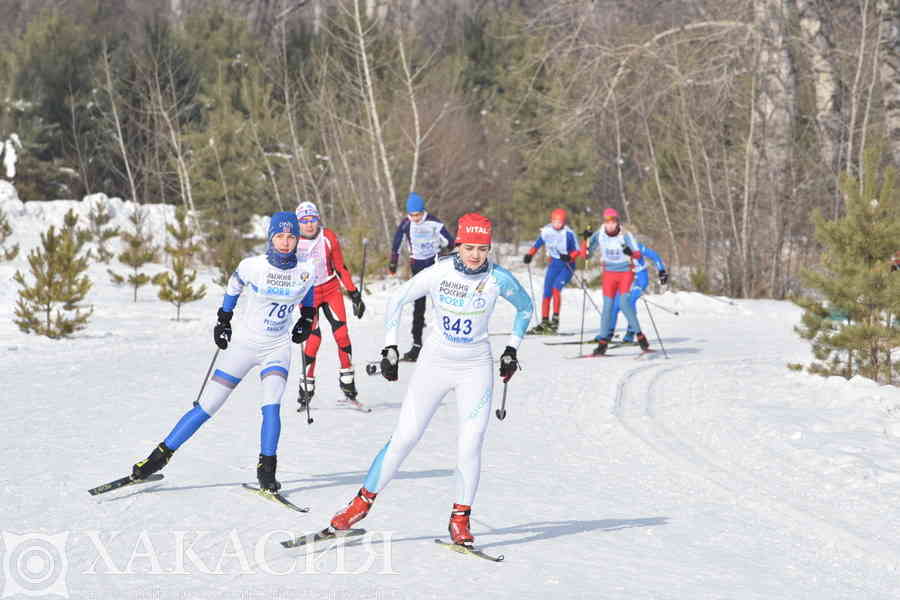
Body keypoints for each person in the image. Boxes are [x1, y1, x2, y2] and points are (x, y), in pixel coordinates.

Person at [327, 213, 533, 548]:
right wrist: (390, 346)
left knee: (471, 442)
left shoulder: (499, 278)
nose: (475, 255)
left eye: (482, 249)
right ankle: (361, 504)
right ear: (458, 245)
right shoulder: (438, 273)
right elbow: (397, 300)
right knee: (406, 436)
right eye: (469, 247)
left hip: (475, 367)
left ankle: (460, 519)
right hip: (435, 363)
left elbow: (525, 308)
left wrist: (512, 349)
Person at [130, 212, 317, 492]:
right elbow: (233, 285)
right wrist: (224, 319)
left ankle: (267, 471)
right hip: (244, 345)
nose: (286, 242)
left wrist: (306, 318)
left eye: (291, 237)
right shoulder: (252, 266)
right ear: (271, 237)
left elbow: (308, 293)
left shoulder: (306, 269)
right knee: (208, 406)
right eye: (280, 236)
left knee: (272, 406)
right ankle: (157, 458)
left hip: (276, 348)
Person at [294, 201, 366, 408]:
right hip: (309, 295)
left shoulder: (328, 237)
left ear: (318, 220)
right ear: (299, 223)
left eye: (313, 220)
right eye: (304, 221)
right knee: (313, 340)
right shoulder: (295, 242)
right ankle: (306, 389)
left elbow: (340, 266)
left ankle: (348, 385)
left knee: (342, 335)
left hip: (331, 289)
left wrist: (354, 293)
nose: (309, 225)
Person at [389, 192, 455, 362]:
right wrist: (393, 262)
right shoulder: (405, 224)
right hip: (417, 267)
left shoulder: (433, 222)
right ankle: (416, 345)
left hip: (434, 266)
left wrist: (449, 250)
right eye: (412, 215)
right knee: (418, 307)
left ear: (423, 211)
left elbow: (450, 241)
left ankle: (448, 344)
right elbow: (396, 244)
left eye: (418, 214)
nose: (415, 218)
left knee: (440, 304)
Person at [582, 208, 650, 355]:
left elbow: (638, 254)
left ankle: (640, 337)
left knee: (624, 304)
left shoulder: (625, 235)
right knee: (607, 307)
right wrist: (585, 241)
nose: (610, 225)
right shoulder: (599, 234)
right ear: (604, 223)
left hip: (625, 272)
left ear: (617, 222)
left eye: (613, 222)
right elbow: (586, 255)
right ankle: (603, 343)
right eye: (608, 222)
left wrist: (631, 253)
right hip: (609, 273)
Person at [594, 240, 667, 343]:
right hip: (627, 279)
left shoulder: (635, 245)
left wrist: (661, 270)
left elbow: (654, 255)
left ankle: (631, 332)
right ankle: (608, 334)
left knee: (628, 302)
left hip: (640, 279)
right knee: (614, 306)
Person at [523, 208, 579, 333]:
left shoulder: (569, 233)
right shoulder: (547, 231)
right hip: (554, 264)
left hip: (567, 266)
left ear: (564, 222)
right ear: (551, 220)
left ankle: (555, 322)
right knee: (547, 292)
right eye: (555, 221)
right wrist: (530, 255)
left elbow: (577, 251)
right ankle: (544, 322)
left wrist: (570, 257)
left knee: (556, 289)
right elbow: (537, 244)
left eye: (560, 222)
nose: (557, 224)